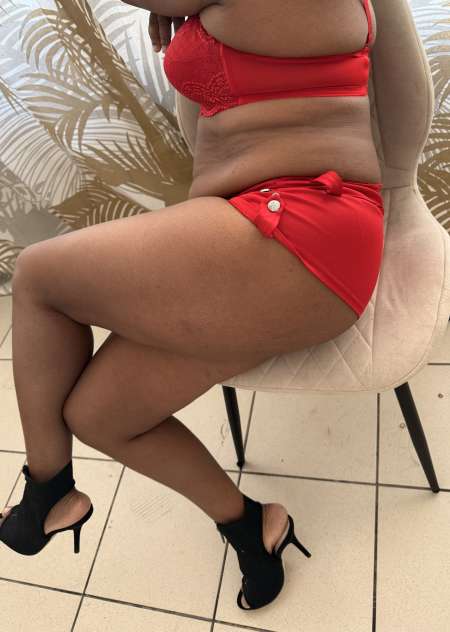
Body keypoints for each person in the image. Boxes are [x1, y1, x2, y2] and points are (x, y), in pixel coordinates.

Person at [0, 0, 384, 611]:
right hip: (253, 248)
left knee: (40, 278)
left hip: (304, 234)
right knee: (100, 415)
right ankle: (251, 527)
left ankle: (46, 487)